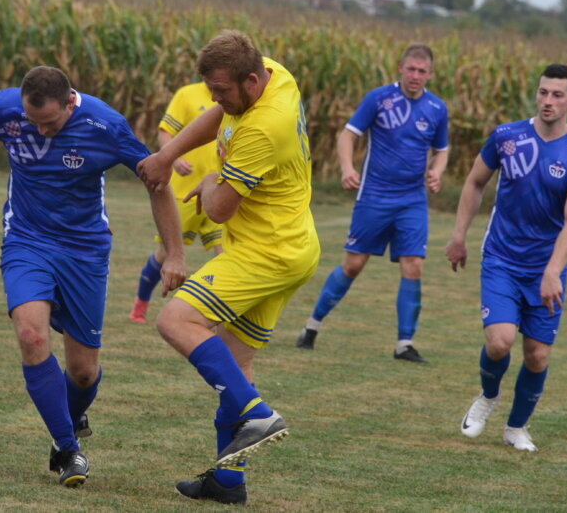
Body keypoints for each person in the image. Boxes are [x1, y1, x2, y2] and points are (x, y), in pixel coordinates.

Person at [0, 66, 186, 487]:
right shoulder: (7, 108)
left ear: (70, 102)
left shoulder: (105, 125)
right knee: (31, 336)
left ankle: (69, 417)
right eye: (33, 122)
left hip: (85, 251)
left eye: (50, 123)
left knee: (83, 372)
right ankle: (68, 449)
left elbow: (155, 181)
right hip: (26, 240)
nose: (41, 131)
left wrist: (174, 252)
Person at [138, 30, 320, 505]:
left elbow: (218, 211)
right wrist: (167, 154)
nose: (214, 99)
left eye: (222, 90)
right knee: (236, 366)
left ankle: (258, 414)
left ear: (253, 80)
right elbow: (219, 113)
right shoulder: (276, 75)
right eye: (211, 89)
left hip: (266, 251)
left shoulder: (264, 128)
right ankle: (227, 481)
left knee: (175, 320)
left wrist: (211, 176)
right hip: (294, 245)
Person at [445, 64, 567, 452]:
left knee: (537, 354)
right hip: (500, 258)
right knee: (500, 342)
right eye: (543, 92)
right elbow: (475, 181)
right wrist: (458, 236)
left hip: (545, 268)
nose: (548, 101)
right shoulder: (506, 136)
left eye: (557, 95)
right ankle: (488, 396)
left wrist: (553, 271)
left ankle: (516, 427)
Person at [296, 44, 448, 363]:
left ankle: (404, 344)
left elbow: (442, 149)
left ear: (430, 74)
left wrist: (436, 171)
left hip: (412, 200)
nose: (416, 76)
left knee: (414, 265)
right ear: (400, 68)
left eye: (422, 71)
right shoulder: (379, 98)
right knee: (353, 265)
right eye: (411, 69)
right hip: (375, 196)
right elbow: (348, 135)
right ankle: (312, 326)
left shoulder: (437, 108)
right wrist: (347, 168)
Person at [129, 81, 223, 323]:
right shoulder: (187, 94)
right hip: (185, 193)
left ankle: (223, 317)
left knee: (227, 255)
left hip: (220, 192)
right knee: (166, 252)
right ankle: (140, 304)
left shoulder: (234, 98)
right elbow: (164, 132)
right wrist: (174, 157)